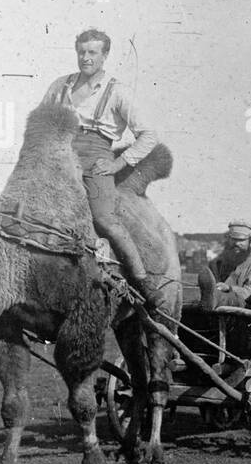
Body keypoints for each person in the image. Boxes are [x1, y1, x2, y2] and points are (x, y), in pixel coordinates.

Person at [43, 28, 162, 308]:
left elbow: (148, 135)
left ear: (105, 55)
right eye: (81, 52)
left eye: (92, 52)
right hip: (60, 157)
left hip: (96, 161)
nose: (86, 58)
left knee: (104, 218)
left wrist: (119, 163)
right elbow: (42, 121)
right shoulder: (60, 86)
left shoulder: (117, 91)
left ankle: (143, 280)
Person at [197, 219, 251, 310]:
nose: (236, 243)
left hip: (243, 307)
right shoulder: (216, 263)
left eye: (241, 240)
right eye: (233, 239)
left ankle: (216, 299)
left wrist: (229, 288)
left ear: (250, 242)